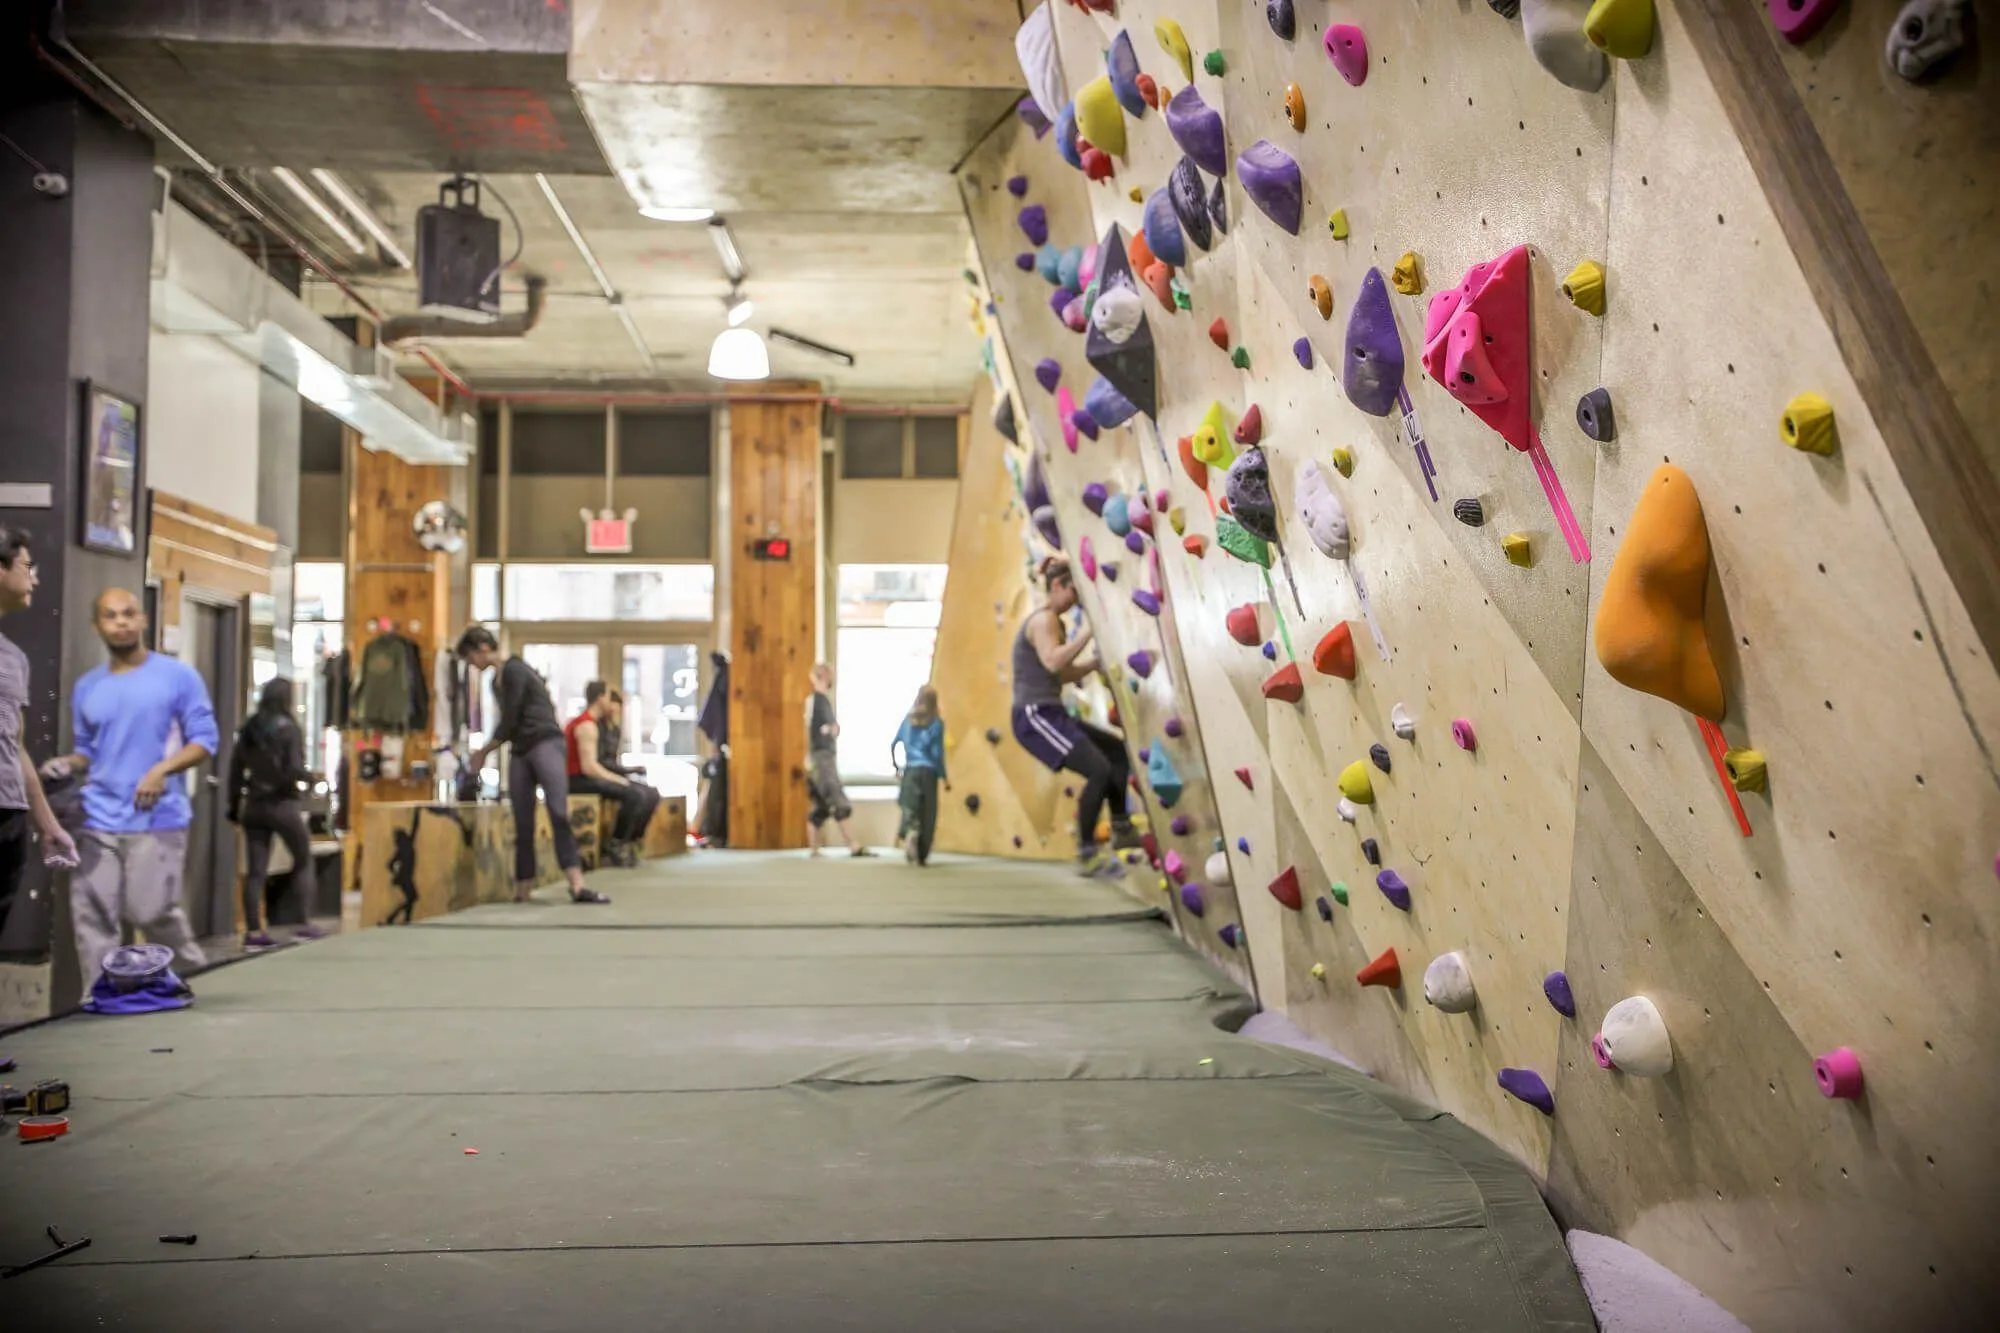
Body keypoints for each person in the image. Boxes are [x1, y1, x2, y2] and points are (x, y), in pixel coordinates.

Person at [38, 588, 215, 994]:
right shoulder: (88, 686)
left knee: (150, 911)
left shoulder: (177, 677)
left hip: (157, 818)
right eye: (110, 616)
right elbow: (89, 751)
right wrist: (68, 763)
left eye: (128, 614)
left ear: (143, 620)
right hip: (97, 818)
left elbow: (204, 740)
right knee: (93, 917)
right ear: (97, 625)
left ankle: (192, 976)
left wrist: (160, 771)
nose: (120, 622)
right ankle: (100, 998)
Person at [1010, 556, 1140, 878]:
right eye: (1074, 592)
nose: (1076, 601)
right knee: (1098, 769)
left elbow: (1062, 674)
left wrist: (1094, 664)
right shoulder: (1043, 620)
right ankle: (1087, 851)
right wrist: (1088, 632)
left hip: (1051, 711)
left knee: (1117, 752)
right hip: (1034, 715)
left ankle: (1121, 826)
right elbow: (1054, 662)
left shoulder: (1057, 623)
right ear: (1057, 586)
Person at [458, 627, 607, 904]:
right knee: (522, 820)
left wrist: (485, 751)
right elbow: (509, 722)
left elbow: (512, 716)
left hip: (545, 742)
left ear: (482, 647)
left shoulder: (515, 670)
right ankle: (523, 889)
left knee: (558, 813)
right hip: (521, 748)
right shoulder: (496, 681)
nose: (471, 665)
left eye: (470, 657)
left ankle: (577, 884)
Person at [0, 526, 78, 943]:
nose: (35, 579)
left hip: (8, 813)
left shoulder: (14, 659)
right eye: (27, 567)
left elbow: (17, 748)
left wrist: (48, 824)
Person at [225, 677, 324, 948]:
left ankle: (254, 932)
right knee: (303, 859)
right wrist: (310, 778)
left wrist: (233, 807)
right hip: (283, 803)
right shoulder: (289, 728)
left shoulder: (249, 727)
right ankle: (302, 923)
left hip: (254, 805)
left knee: (256, 870)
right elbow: (292, 768)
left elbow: (235, 770)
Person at [564, 681, 658, 868]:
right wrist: (620, 780)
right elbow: (589, 767)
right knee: (634, 794)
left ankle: (631, 841)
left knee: (650, 793)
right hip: (576, 780)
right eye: (608, 696)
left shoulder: (597, 725)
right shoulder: (586, 725)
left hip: (586, 777)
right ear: (600, 698)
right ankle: (616, 842)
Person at [804, 663, 872, 858]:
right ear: (823, 676)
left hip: (820, 757)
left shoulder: (820, 701)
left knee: (821, 804)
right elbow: (817, 731)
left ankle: (814, 849)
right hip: (821, 758)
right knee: (836, 798)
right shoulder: (816, 701)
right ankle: (853, 844)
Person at [891, 685, 947, 866]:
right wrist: (944, 776)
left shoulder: (908, 720)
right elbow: (937, 753)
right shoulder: (937, 722)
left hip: (911, 769)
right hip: (929, 772)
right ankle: (922, 853)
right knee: (928, 813)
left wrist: (897, 767)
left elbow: (894, 743)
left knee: (910, 807)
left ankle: (911, 831)